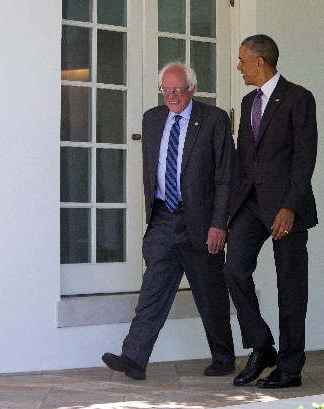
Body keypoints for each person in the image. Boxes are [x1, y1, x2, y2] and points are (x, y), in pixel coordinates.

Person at [102, 62, 236, 380]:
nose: (172, 95)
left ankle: (224, 357)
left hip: (201, 222)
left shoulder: (214, 119)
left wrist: (220, 224)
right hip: (163, 218)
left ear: (192, 89)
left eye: (178, 89)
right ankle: (134, 358)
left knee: (210, 293)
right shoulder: (152, 119)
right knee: (152, 291)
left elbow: (226, 176)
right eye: (166, 89)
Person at [224, 34, 318, 389]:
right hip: (250, 203)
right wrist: (233, 208)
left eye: (242, 60)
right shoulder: (249, 101)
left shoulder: (298, 98)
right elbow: (244, 159)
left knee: (290, 285)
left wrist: (289, 206)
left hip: (285, 207)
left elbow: (304, 156)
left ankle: (290, 367)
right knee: (234, 270)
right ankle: (262, 345)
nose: (239, 67)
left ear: (259, 61)